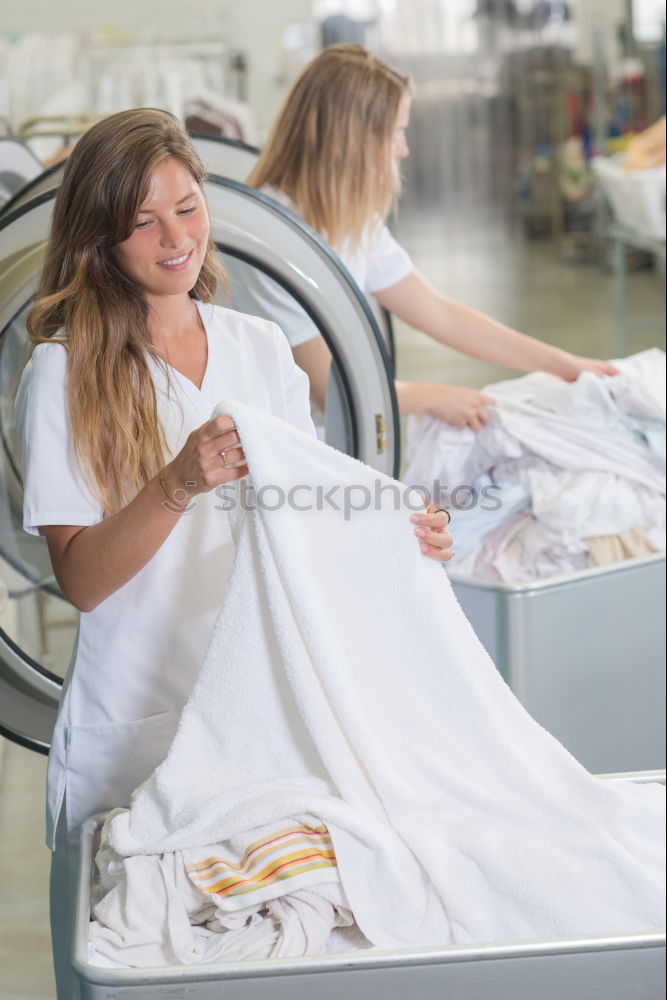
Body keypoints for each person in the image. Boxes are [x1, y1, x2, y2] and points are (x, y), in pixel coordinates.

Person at [14, 108, 453, 998]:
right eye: (142, 220)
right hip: (133, 735)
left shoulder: (255, 349)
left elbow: (310, 518)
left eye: (186, 207)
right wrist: (177, 481)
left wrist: (397, 530)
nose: (175, 237)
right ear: (99, 236)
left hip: (255, 718)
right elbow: (83, 580)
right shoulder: (63, 373)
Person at [244, 43, 618, 432]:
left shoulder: (346, 219)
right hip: (281, 452)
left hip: (330, 435)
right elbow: (327, 390)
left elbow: (440, 314)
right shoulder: (277, 239)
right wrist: (430, 396)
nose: (403, 150)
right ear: (351, 140)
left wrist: (567, 366)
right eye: (396, 133)